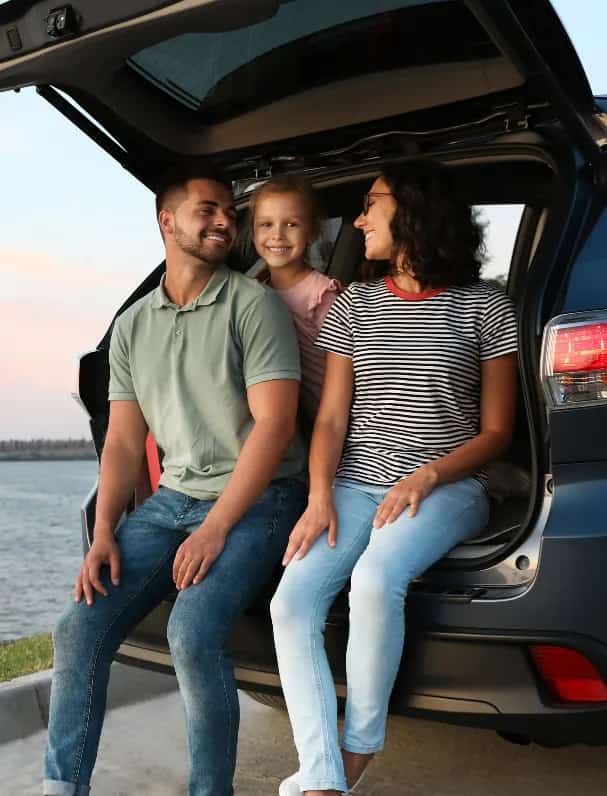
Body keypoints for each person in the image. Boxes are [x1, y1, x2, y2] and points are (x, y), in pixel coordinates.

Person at [43, 162, 307, 796]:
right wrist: (104, 532)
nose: (223, 222)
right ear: (167, 222)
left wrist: (216, 528)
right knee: (77, 628)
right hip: (172, 501)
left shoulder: (253, 305)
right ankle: (61, 787)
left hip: (261, 498)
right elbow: (123, 442)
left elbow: (275, 427)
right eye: (206, 210)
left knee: (190, 633)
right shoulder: (133, 326)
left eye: (228, 213)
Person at [271, 159, 518, 796]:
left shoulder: (486, 306)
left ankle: (357, 751)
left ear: (413, 209)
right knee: (290, 604)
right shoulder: (353, 304)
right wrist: (319, 497)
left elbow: (498, 433)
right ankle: (322, 777)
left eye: (370, 205)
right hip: (355, 484)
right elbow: (331, 418)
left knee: (376, 578)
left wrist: (427, 477)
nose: (359, 221)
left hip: (451, 486)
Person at [249, 175, 341, 425]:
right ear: (253, 232)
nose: (277, 235)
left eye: (291, 224)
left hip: (329, 420)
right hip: (289, 418)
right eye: (266, 224)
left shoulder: (322, 295)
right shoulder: (255, 292)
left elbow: (347, 371)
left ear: (311, 232)